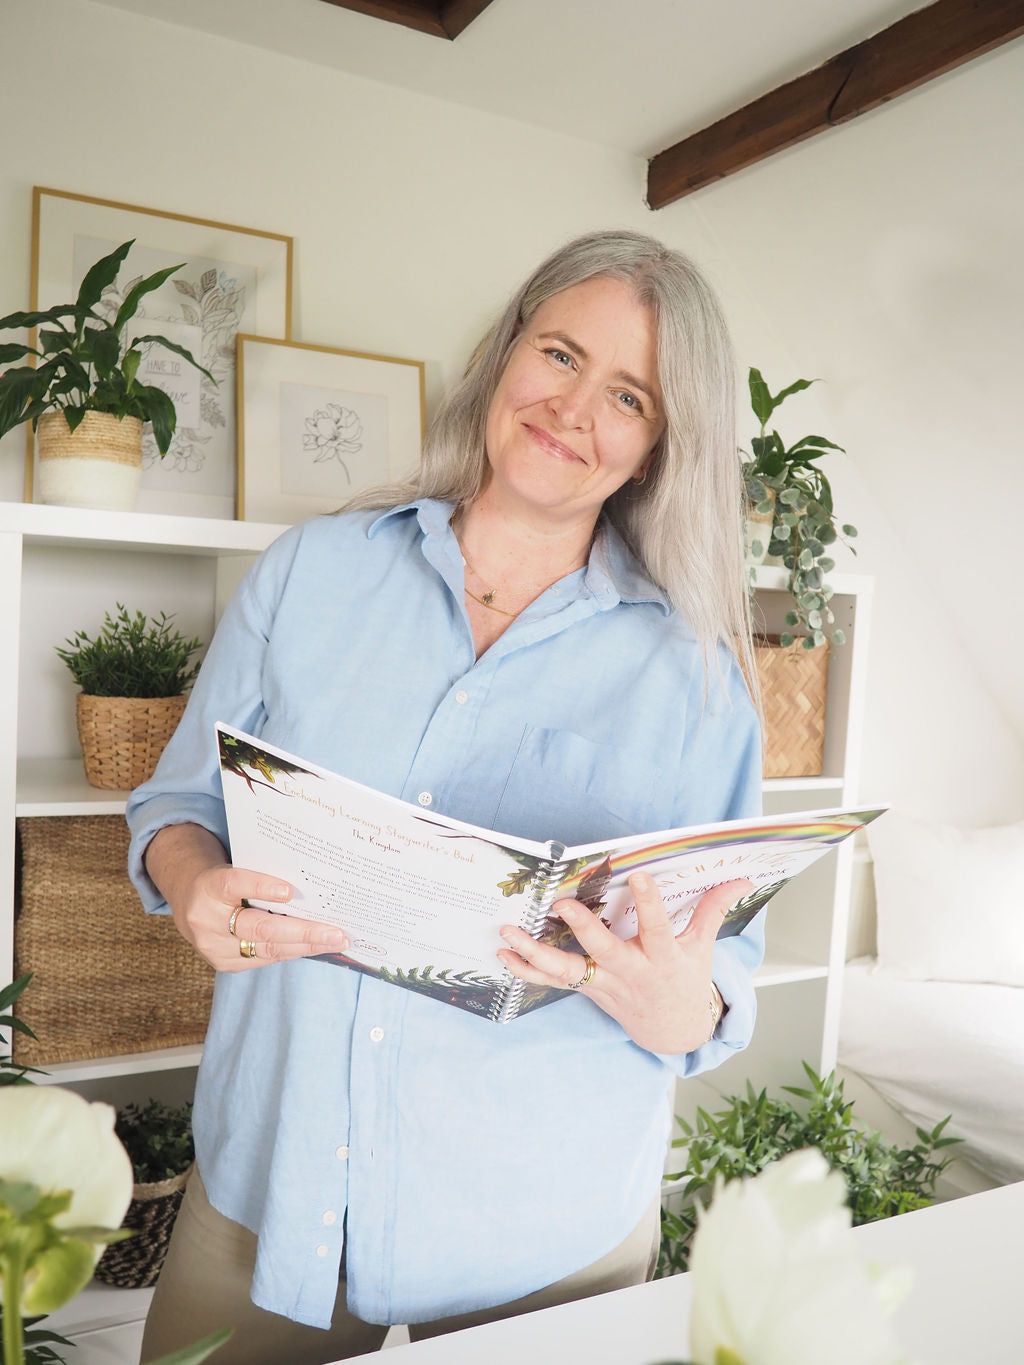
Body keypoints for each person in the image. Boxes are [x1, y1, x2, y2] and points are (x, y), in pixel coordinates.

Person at [126, 228, 763, 1364]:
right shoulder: (311, 571)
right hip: (275, 1184)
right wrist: (194, 884)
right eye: (561, 354)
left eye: (629, 395)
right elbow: (176, 806)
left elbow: (720, 974)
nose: (575, 409)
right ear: (507, 346)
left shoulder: (699, 678)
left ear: (660, 447)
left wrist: (685, 1011)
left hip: (549, 1228)